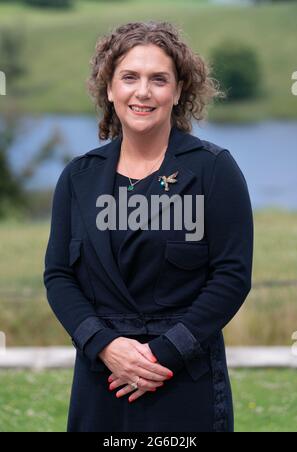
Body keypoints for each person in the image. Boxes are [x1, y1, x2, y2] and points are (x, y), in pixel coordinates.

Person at [43, 20, 253, 432]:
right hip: (100, 376)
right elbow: (58, 276)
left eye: (159, 79)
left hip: (183, 377)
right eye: (129, 78)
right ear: (109, 88)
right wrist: (104, 346)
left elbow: (231, 276)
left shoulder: (214, 170)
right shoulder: (77, 177)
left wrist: (162, 354)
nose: (143, 92)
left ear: (177, 92)